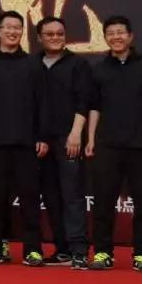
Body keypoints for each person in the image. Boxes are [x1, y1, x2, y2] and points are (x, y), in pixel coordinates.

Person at [86, 15, 142, 273]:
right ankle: (102, 252)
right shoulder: (98, 69)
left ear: (130, 36)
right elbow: (94, 107)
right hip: (107, 144)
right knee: (103, 202)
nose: (116, 37)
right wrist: (91, 138)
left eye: (121, 32)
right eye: (111, 33)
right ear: (105, 38)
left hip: (141, 145)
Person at [0, 11, 47, 267]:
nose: (13, 32)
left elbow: (41, 103)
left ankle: (32, 249)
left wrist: (41, 136)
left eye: (17, 28)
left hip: (26, 142)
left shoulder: (32, 63)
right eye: (8, 27)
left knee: (29, 198)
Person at [36, 16, 91, 269]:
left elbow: (84, 101)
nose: (55, 37)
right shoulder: (32, 64)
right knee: (51, 196)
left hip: (69, 139)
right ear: (39, 38)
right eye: (50, 34)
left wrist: (76, 133)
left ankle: (79, 250)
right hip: (40, 141)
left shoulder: (78, 64)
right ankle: (62, 250)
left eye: (59, 33)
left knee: (72, 195)